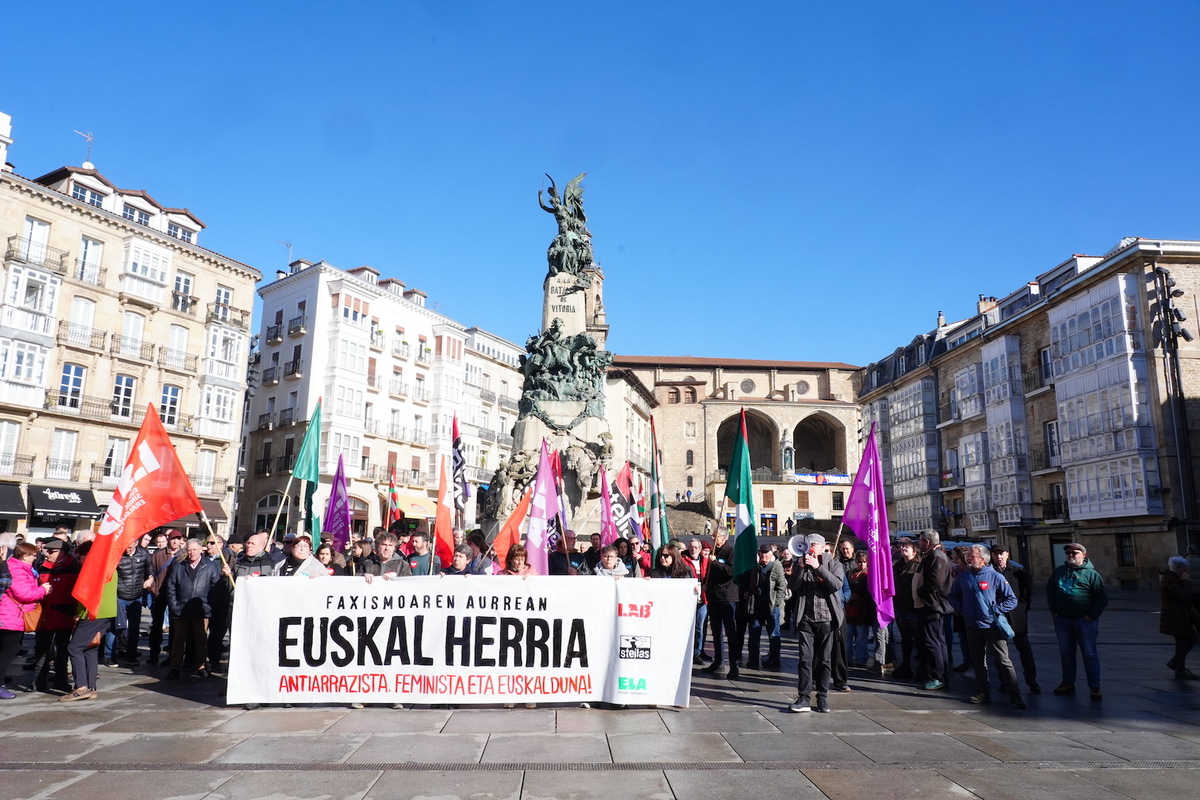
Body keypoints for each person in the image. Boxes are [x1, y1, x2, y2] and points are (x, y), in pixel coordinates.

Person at [949, 544, 1026, 708]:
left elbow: (1011, 600)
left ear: (983, 559)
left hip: (992, 626)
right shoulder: (963, 577)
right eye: (968, 556)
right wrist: (962, 609)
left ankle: (1014, 693)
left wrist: (996, 610)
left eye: (972, 556)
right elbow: (952, 596)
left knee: (1003, 661)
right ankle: (982, 691)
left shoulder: (995, 577)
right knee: (978, 662)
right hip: (972, 625)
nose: (968, 559)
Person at [787, 533, 845, 713]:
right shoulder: (801, 563)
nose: (810, 548)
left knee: (825, 660)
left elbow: (836, 584)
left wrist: (818, 567)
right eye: (807, 544)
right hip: (806, 618)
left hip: (826, 619)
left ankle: (822, 696)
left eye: (813, 545)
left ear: (821, 546)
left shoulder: (833, 563)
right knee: (805, 659)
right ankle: (803, 697)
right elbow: (793, 586)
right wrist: (801, 568)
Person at [1047, 542, 1108, 699]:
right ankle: (1068, 682)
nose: (1071, 555)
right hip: (1063, 620)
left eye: (1075, 553)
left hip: (1084, 621)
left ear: (1083, 555)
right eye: (1068, 553)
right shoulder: (1059, 571)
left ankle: (1094, 686)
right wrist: (1054, 611)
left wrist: (1091, 616)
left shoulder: (1092, 574)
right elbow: (1050, 591)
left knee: (1089, 654)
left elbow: (1102, 597)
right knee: (1066, 653)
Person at [61, 542, 117, 702]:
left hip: (93, 613)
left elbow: (85, 594)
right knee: (89, 648)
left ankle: (81, 688)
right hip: (107, 612)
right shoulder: (109, 565)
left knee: (75, 647)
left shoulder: (93, 568)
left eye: (80, 556)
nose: (78, 560)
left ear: (88, 554)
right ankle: (91, 687)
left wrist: (79, 614)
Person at [165, 538, 222, 679]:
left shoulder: (210, 566)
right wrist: (175, 606)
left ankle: (201, 667)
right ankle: (175, 668)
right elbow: (170, 587)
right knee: (178, 641)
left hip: (201, 610)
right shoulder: (179, 566)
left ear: (201, 550)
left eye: (194, 549)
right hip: (181, 610)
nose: (191, 553)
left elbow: (216, 588)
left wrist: (208, 606)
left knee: (201, 641)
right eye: (189, 550)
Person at [2, 541, 52, 700]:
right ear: (25, 556)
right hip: (11, 617)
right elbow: (24, 594)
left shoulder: (16, 567)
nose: (35, 557)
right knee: (7, 653)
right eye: (33, 555)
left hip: (9, 615)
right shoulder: (18, 570)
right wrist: (43, 590)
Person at [992, 545, 1038, 693]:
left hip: (1016, 616)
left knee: (1024, 648)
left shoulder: (1018, 572)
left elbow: (1026, 591)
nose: (999, 557)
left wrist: (1022, 608)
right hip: (998, 616)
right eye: (996, 554)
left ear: (1007, 555)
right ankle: (1005, 681)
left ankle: (1031, 679)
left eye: (1001, 554)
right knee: (1000, 652)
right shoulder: (989, 571)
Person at [915, 530, 954, 691]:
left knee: (933, 642)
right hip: (933, 604)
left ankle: (938, 675)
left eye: (920, 541)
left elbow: (935, 582)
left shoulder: (936, 556)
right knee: (938, 641)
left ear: (927, 542)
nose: (918, 544)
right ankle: (940, 673)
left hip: (933, 605)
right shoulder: (933, 555)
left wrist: (921, 592)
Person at [701, 528, 739, 678]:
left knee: (730, 633)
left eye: (715, 535)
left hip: (727, 597)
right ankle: (718, 662)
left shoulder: (731, 552)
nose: (712, 537)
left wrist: (715, 562)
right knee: (716, 633)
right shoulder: (714, 551)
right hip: (714, 597)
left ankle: (734, 665)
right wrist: (705, 583)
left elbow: (731, 572)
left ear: (723, 537)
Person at [743, 544, 786, 670]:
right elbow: (753, 582)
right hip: (757, 605)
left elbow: (781, 586)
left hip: (772, 606)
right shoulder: (756, 567)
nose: (763, 555)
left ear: (771, 554)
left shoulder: (777, 566)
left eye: (766, 553)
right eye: (762, 553)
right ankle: (753, 659)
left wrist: (776, 603)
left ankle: (774, 659)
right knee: (754, 634)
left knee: (773, 634)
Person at [146, 530, 185, 665]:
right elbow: (151, 572)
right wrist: (153, 589)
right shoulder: (158, 554)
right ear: (169, 539)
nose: (175, 541)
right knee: (157, 624)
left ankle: (172, 655)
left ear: (181, 540)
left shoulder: (184, 555)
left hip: (175, 596)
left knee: (175, 626)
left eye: (178, 539)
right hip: (160, 594)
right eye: (173, 539)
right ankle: (154, 653)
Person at [1160, 556, 1200, 679]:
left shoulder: (1173, 578)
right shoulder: (1170, 579)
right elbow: (1183, 596)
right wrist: (1187, 582)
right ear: (1178, 568)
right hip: (1176, 616)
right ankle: (1178, 667)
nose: (1187, 570)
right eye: (1185, 568)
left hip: (1179, 615)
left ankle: (1178, 665)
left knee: (1185, 640)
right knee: (1188, 639)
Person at [891, 538, 923, 681]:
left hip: (913, 607)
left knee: (918, 638)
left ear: (914, 552)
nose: (903, 549)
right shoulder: (898, 566)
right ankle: (906, 665)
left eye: (907, 547)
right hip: (900, 605)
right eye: (903, 547)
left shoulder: (918, 566)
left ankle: (922, 667)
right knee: (905, 639)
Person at [114, 539, 151, 665]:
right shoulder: (118, 554)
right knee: (121, 626)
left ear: (136, 544)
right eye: (126, 547)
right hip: (120, 594)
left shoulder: (143, 554)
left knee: (135, 627)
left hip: (136, 595)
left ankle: (131, 654)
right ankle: (121, 648)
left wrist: (150, 579)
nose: (127, 549)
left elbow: (149, 570)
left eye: (130, 547)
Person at [844, 550, 876, 667]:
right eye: (859, 562)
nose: (861, 564)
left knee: (861, 637)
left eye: (864, 562)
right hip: (849, 609)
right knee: (848, 636)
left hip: (862, 610)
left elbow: (866, 592)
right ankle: (847, 657)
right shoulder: (850, 573)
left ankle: (861, 658)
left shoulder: (868, 575)